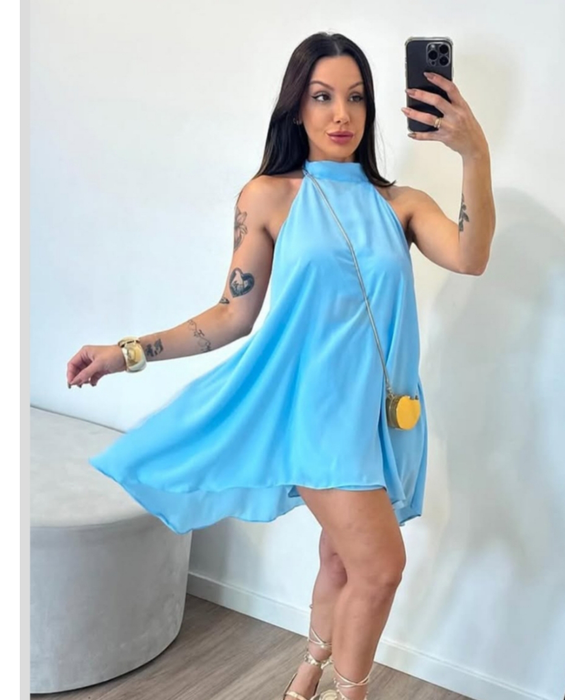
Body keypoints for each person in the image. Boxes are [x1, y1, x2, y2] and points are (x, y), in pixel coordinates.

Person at [65, 31, 495, 700]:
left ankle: (305, 678)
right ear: (296, 106)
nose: (341, 114)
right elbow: (230, 314)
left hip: (385, 413)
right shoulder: (268, 196)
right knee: (381, 568)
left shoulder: (400, 204)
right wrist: (126, 352)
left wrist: (474, 154)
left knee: (342, 559)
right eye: (322, 97)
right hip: (314, 417)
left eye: (356, 97)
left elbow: (470, 256)